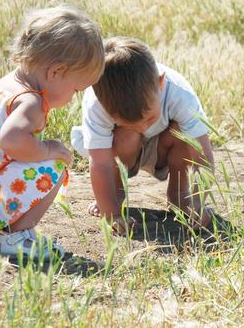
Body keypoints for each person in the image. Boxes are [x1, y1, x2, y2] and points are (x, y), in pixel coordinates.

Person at [0, 5, 104, 259]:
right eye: (76, 90)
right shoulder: (31, 101)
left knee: (11, 162)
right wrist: (48, 149)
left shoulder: (1, 87)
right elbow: (11, 139)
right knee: (55, 164)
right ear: (56, 72)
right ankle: (15, 237)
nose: (73, 98)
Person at [71, 37, 215, 233]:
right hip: (122, 148)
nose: (141, 128)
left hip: (163, 145)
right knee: (127, 136)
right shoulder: (97, 102)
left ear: (160, 83)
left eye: (149, 118)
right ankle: (116, 194)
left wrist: (199, 201)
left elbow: (202, 156)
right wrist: (110, 212)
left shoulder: (179, 93)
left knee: (183, 134)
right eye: (129, 122)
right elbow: (101, 162)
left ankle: (179, 193)